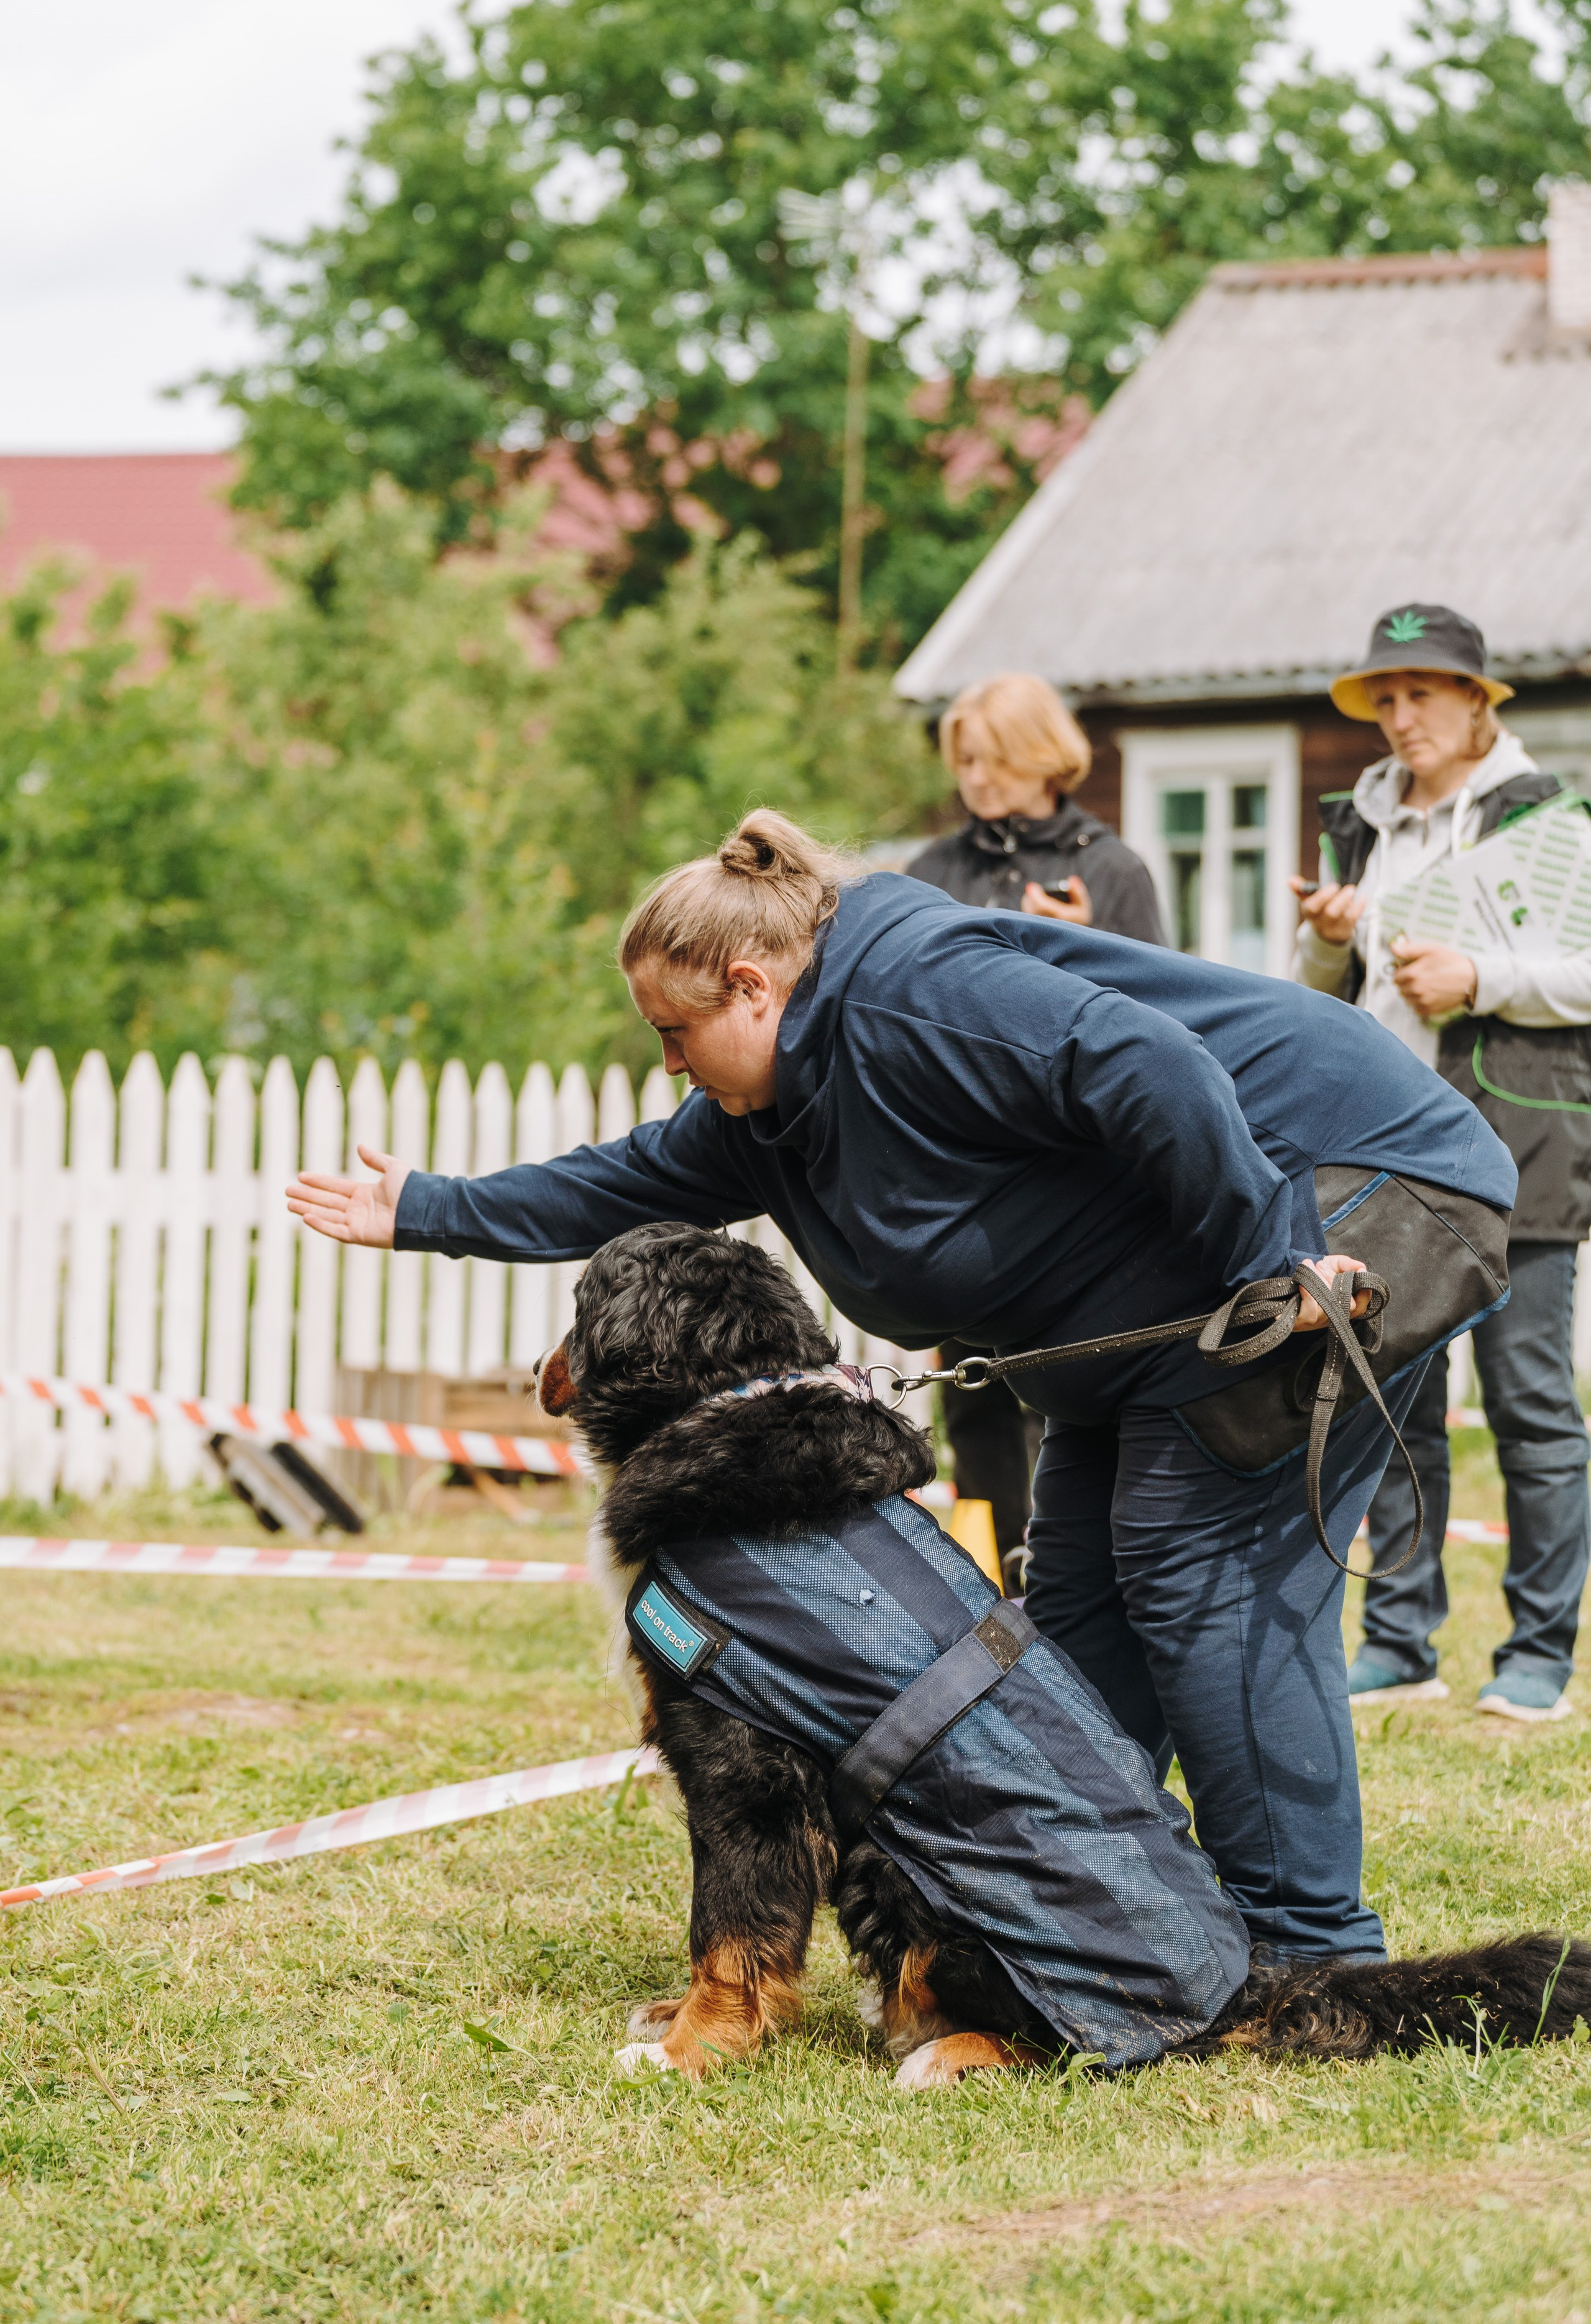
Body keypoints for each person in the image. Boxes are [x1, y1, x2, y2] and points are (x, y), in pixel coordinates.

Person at [289, 808, 1515, 1967]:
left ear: (754, 987)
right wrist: (421, 1209)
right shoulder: (761, 1107)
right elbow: (619, 1183)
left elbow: (1145, 1061)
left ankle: (1307, 1953)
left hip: (1348, 1193)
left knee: (1194, 1574)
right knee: (1075, 1611)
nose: (668, 1062)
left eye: (675, 1032)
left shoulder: (916, 996)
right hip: (1164, 1297)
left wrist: (1269, 1259)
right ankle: (1109, 1925)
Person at [1292, 603, 1591, 1724]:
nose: (1399, 716)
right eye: (1385, 697)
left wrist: (1485, 978)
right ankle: (1401, 1638)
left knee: (1528, 1401)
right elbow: (1314, 985)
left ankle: (1537, 1655)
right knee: (1394, 1402)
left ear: (1479, 701)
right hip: (1386, 1145)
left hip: (1520, 1144)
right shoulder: (1357, 821)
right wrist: (1328, 932)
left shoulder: (1553, 818)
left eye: (1422, 694)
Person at [907, 672, 1166, 1573]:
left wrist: (1088, 947)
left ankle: (1067, 1575)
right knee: (968, 1393)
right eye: (964, 759)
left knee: (1060, 1387)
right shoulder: (934, 870)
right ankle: (988, 1581)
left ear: (1045, 757)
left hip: (1070, 1175)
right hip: (961, 1167)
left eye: (995, 758)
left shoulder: (1111, 869)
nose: (977, 778)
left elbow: (1156, 1029)